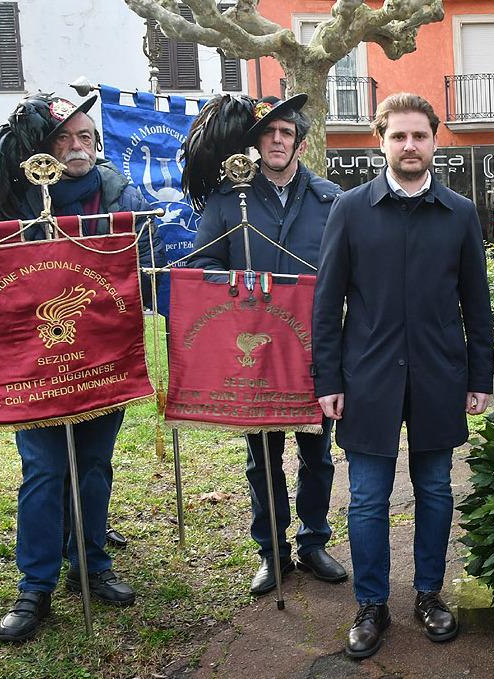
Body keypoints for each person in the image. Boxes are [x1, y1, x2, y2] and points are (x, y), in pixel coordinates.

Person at [0, 92, 158, 642]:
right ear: (42, 148)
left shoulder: (118, 193)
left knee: (94, 465)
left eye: (85, 138)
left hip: (104, 355)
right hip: (36, 362)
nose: (76, 148)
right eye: (64, 139)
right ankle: (35, 586)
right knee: (46, 469)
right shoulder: (14, 199)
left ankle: (91, 564)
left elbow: (143, 265)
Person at [312, 93, 493, 660]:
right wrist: (327, 378)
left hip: (439, 374)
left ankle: (429, 594)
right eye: (399, 136)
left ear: (435, 142)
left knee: (436, 490)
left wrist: (480, 373)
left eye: (419, 136)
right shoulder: (350, 209)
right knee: (367, 498)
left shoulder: (460, 213)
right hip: (368, 376)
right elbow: (327, 301)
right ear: (381, 141)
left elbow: (476, 301)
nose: (409, 146)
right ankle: (371, 604)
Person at [183, 93, 347, 595]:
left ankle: (314, 540)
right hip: (251, 348)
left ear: (299, 141)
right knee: (262, 456)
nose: (278, 140)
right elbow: (202, 265)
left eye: (287, 133)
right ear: (256, 140)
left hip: (315, 348)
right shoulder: (228, 198)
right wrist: (239, 290)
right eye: (269, 132)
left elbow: (350, 269)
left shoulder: (331, 199)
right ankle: (271, 550)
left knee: (316, 453)